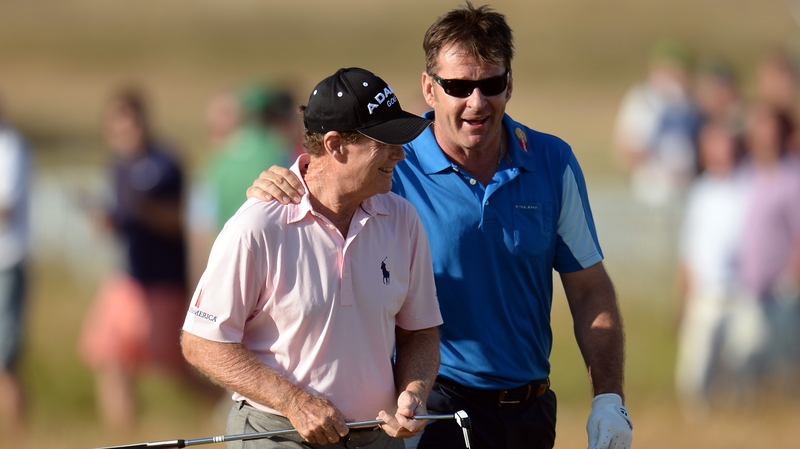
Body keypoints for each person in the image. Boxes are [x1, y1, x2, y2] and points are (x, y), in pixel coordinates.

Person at [244, 3, 632, 449]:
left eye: (491, 84)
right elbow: (327, 178)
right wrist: (282, 178)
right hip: (431, 405)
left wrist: (608, 397)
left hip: (530, 409)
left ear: (510, 84)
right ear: (429, 89)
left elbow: (589, 290)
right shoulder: (392, 167)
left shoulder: (552, 161)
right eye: (458, 86)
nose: (477, 102)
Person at [181, 67, 443, 449]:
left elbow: (419, 331)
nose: (400, 154)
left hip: (377, 438)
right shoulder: (258, 225)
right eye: (384, 142)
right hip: (278, 434)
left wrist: (414, 392)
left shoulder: (402, 219)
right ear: (335, 145)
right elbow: (201, 342)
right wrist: (294, 401)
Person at [78, 88, 220, 431]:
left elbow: (180, 221)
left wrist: (144, 211)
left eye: (129, 123)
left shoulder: (165, 163)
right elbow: (121, 220)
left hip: (163, 279)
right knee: (111, 357)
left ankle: (222, 408)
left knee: (173, 366)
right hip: (128, 277)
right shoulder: (118, 166)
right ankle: (123, 434)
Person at [673, 120, 749, 419]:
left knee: (737, 367)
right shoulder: (701, 192)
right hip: (705, 294)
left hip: (740, 292)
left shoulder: (747, 187)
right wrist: (682, 298)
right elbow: (689, 250)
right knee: (695, 371)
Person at [187, 85, 298, 286]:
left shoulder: (215, 161)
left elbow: (201, 229)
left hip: (227, 268)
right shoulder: (284, 152)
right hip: (274, 271)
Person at [612, 38, 701, 207]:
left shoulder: (691, 104)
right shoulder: (641, 100)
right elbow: (623, 151)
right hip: (650, 195)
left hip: (687, 193)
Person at [0, 97, 31, 438]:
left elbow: (5, 207)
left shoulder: (10, 147)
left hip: (6, 262)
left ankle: (18, 435)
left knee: (4, 359)